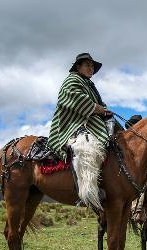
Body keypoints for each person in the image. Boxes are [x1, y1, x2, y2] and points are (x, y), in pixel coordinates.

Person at [47, 53, 114, 210]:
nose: (91, 69)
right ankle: (87, 194)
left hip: (88, 122)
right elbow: (75, 99)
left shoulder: (89, 85)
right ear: (78, 67)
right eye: (87, 65)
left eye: (92, 66)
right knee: (87, 148)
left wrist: (104, 110)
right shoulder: (72, 80)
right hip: (73, 124)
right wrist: (98, 109)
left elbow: (97, 104)